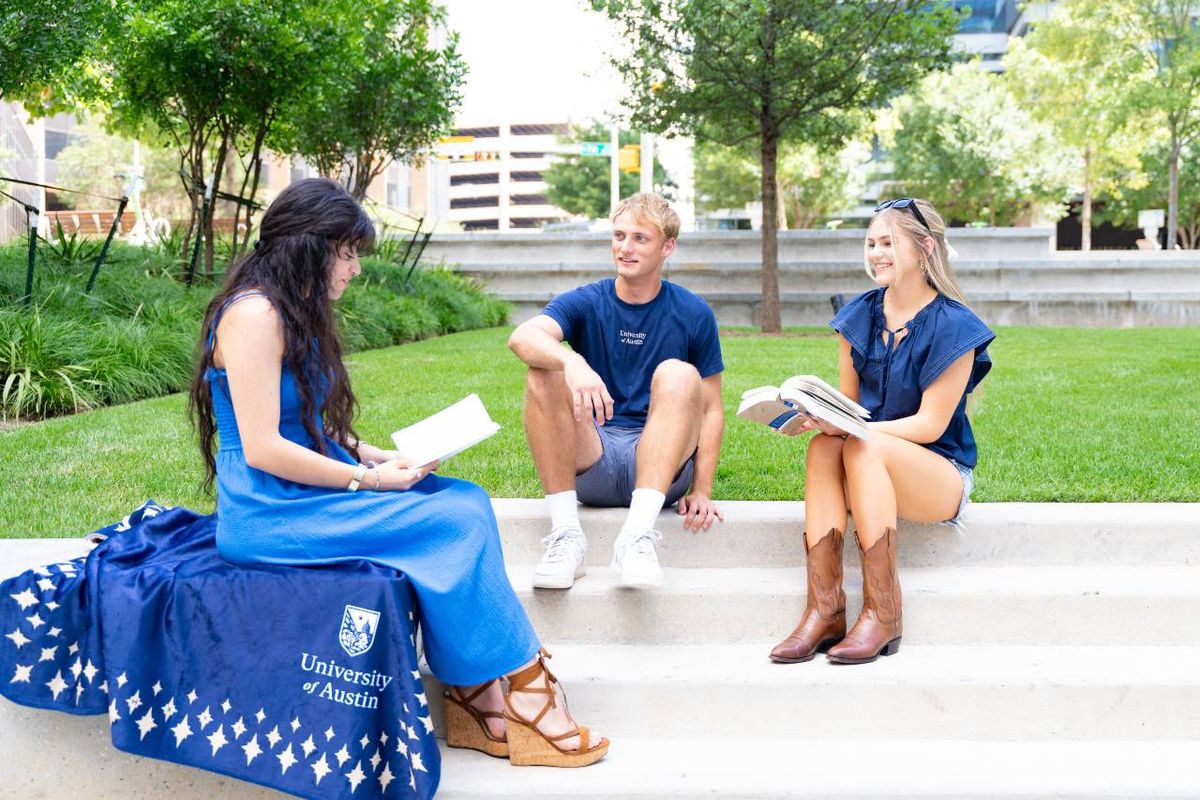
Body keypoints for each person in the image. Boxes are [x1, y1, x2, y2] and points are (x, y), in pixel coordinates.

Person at [188, 178, 607, 767]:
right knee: (451, 522)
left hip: (303, 488)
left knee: (464, 499)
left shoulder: (289, 310)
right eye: (349, 252)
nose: (355, 269)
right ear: (312, 245)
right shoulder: (254, 315)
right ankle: (527, 689)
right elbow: (263, 447)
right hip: (268, 508)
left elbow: (305, 422)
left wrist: (373, 454)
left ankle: (472, 692)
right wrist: (374, 482)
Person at [768, 198, 995, 666]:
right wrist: (825, 418)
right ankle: (824, 610)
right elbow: (849, 407)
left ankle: (884, 611)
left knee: (861, 446)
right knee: (822, 449)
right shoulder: (858, 317)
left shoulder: (956, 325)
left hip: (938, 473)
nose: (876, 253)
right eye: (871, 243)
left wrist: (855, 430)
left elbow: (931, 425)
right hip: (865, 457)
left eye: (888, 243)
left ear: (925, 248)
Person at [507, 192, 725, 590]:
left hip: (661, 463)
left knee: (678, 373)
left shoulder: (694, 312)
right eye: (619, 235)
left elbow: (710, 409)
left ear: (668, 247)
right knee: (543, 369)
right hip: (594, 459)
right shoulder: (587, 301)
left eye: (640, 238)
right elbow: (522, 337)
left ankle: (636, 538)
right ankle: (566, 538)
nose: (625, 248)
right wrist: (572, 361)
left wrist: (703, 489)